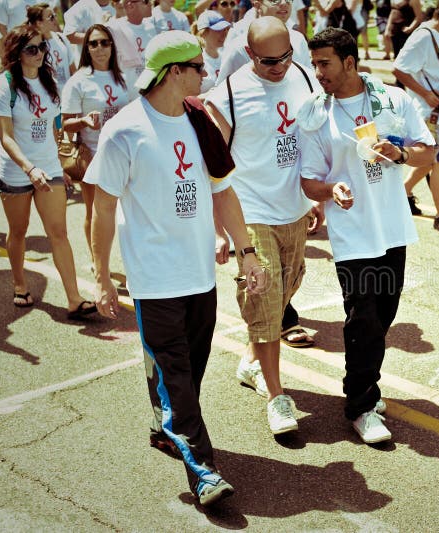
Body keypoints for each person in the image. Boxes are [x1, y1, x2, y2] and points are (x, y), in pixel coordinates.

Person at [86, 30, 265, 506]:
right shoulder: (123, 130)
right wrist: (102, 277)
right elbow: (101, 209)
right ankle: (204, 470)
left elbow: (222, 191)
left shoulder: (199, 120)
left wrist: (247, 251)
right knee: (178, 376)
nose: (207, 75)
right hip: (154, 277)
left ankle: (165, 425)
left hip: (199, 275)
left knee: (189, 372)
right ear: (175, 72)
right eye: (200, 68)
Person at [299, 28, 436, 443]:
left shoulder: (393, 100)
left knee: (384, 315)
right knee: (364, 318)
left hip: (393, 227)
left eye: (325, 63)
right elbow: (309, 181)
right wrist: (330, 190)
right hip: (352, 233)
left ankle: (366, 386)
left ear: (350, 63)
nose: (317, 71)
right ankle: (359, 405)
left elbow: (427, 150)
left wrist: (402, 155)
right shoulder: (314, 113)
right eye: (314, 63)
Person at [204, 17, 321, 435]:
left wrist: (312, 195)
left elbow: (311, 136)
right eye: (271, 60)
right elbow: (214, 167)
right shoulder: (230, 94)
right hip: (249, 210)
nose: (281, 66)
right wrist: (220, 231)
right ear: (250, 54)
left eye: (287, 55)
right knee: (266, 296)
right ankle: (277, 397)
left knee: (289, 284)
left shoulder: (302, 76)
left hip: (292, 206)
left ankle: (252, 357)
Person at [0, 25, 97, 318]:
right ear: (17, 53)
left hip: (49, 168)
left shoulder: (50, 81)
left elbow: (54, 127)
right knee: (18, 231)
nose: (40, 53)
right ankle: (19, 283)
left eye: (42, 47)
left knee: (59, 232)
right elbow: (5, 137)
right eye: (32, 49)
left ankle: (74, 299)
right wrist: (29, 169)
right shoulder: (5, 86)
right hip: (16, 170)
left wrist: (57, 164)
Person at [393, 0, 439, 235]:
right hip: (426, 113)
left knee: (428, 161)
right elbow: (398, 68)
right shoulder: (423, 37)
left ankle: (403, 192)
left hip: (437, 112)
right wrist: (425, 95)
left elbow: (434, 77)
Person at [61, 23, 128, 268]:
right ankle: (98, 261)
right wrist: (84, 121)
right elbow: (65, 124)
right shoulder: (78, 81)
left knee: (123, 212)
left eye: (104, 42)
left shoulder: (119, 76)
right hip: (93, 156)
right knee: (95, 211)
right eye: (93, 43)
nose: (99, 48)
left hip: (122, 154)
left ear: (111, 46)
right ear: (86, 48)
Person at [216, 0, 311, 83]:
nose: (283, 3)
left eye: (288, 0)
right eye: (274, 0)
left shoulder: (299, 39)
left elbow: (309, 78)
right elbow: (223, 87)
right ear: (257, 5)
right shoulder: (238, 44)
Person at [106, 0, 157, 89]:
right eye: (145, 1)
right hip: (128, 94)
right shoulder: (114, 28)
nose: (150, 4)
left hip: (150, 90)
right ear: (130, 6)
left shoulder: (151, 27)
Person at [27, 3, 77, 88]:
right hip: (50, 98)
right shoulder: (36, 47)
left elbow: (73, 69)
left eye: (55, 15)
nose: (56, 19)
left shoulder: (61, 38)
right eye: (51, 17)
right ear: (39, 23)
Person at [195, 9, 230, 92]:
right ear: (203, 33)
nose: (224, 34)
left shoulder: (227, 55)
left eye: (225, 29)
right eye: (218, 30)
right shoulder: (197, 62)